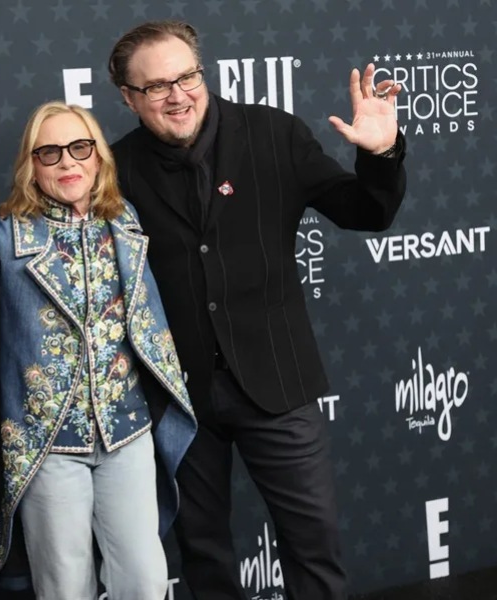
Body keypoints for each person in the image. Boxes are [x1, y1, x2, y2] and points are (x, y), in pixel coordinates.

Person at [108, 20, 407, 600]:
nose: (178, 95)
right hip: (178, 398)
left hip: (277, 379)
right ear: (128, 97)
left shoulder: (273, 133)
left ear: (202, 71)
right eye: (156, 87)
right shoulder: (113, 170)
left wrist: (381, 153)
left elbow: (366, 212)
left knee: (313, 545)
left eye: (187, 76)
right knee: (203, 553)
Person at [0, 101, 198, 600]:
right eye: (50, 152)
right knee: (65, 586)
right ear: (31, 166)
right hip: (49, 443)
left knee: (145, 578)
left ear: (98, 156)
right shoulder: (2, 238)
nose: (68, 163)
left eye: (80, 148)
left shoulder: (124, 220)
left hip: (126, 430)